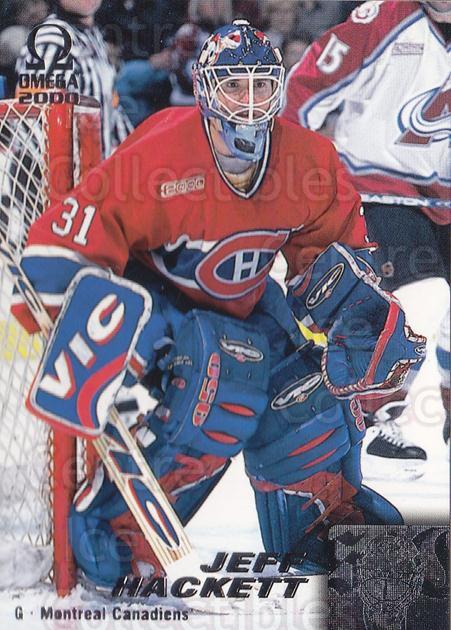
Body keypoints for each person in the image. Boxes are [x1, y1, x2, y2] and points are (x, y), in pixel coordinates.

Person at [12, 20, 425, 585]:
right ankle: (117, 533)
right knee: (224, 379)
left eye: (261, 85)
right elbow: (64, 244)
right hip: (159, 305)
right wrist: (105, 331)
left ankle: (319, 519)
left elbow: (335, 255)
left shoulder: (307, 159)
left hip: (247, 305)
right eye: (234, 86)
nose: (249, 101)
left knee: (306, 400)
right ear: (206, 91)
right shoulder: (161, 151)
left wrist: (361, 318)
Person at [282, 0, 450, 477]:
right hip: (377, 186)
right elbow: (305, 87)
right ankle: (371, 421)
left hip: (444, 194)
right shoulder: (381, 19)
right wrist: (287, 170)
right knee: (423, 296)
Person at [15, 0, 133, 158]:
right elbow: (36, 133)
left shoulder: (92, 35)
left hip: (97, 167)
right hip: (68, 171)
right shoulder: (53, 40)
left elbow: (113, 113)